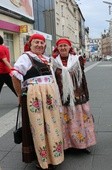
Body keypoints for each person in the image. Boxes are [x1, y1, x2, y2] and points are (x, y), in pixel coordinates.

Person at [11, 34, 64, 169]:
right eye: (37, 42)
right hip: (35, 97)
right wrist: (19, 94)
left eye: (42, 43)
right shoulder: (25, 57)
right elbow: (15, 75)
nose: (40, 45)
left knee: (52, 126)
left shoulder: (47, 59)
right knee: (39, 127)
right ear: (30, 44)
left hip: (50, 97)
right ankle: (43, 160)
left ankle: (54, 156)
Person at [52, 38, 96, 152]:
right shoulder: (53, 62)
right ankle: (66, 145)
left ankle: (82, 145)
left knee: (81, 121)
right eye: (60, 46)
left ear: (69, 47)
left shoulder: (77, 60)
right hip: (62, 97)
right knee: (65, 122)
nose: (62, 48)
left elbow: (82, 78)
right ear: (57, 48)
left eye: (65, 46)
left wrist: (86, 93)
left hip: (77, 96)